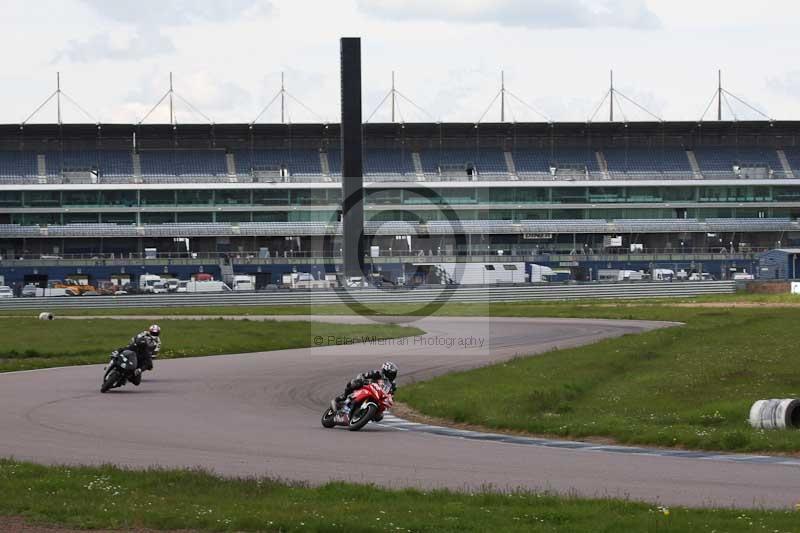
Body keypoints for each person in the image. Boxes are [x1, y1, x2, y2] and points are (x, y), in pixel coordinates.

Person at [333, 361, 398, 417]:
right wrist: (362, 379)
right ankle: (343, 397)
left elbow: (391, 395)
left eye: (394, 374)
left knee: (379, 416)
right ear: (385, 371)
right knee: (355, 383)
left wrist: (390, 399)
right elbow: (363, 375)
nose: (392, 375)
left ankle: (365, 415)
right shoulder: (377, 373)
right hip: (368, 388)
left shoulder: (393, 385)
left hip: (378, 397)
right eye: (391, 373)